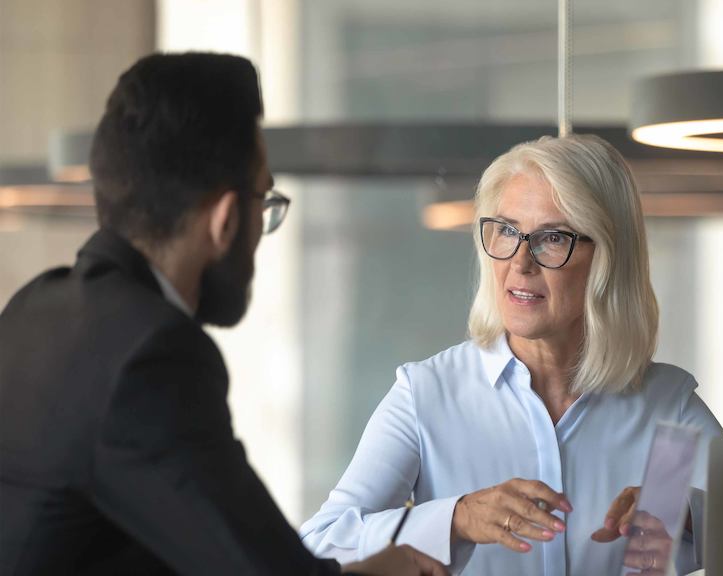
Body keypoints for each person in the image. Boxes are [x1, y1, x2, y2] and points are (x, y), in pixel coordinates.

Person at [0, 53, 445, 576]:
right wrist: (387, 569)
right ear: (227, 218)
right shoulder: (148, 356)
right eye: (264, 202)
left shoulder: (35, 306)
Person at [299, 134, 723, 575]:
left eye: (552, 238)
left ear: (608, 259)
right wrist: (456, 519)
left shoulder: (667, 409)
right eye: (506, 231)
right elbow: (320, 546)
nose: (521, 262)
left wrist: (686, 515)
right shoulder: (426, 395)